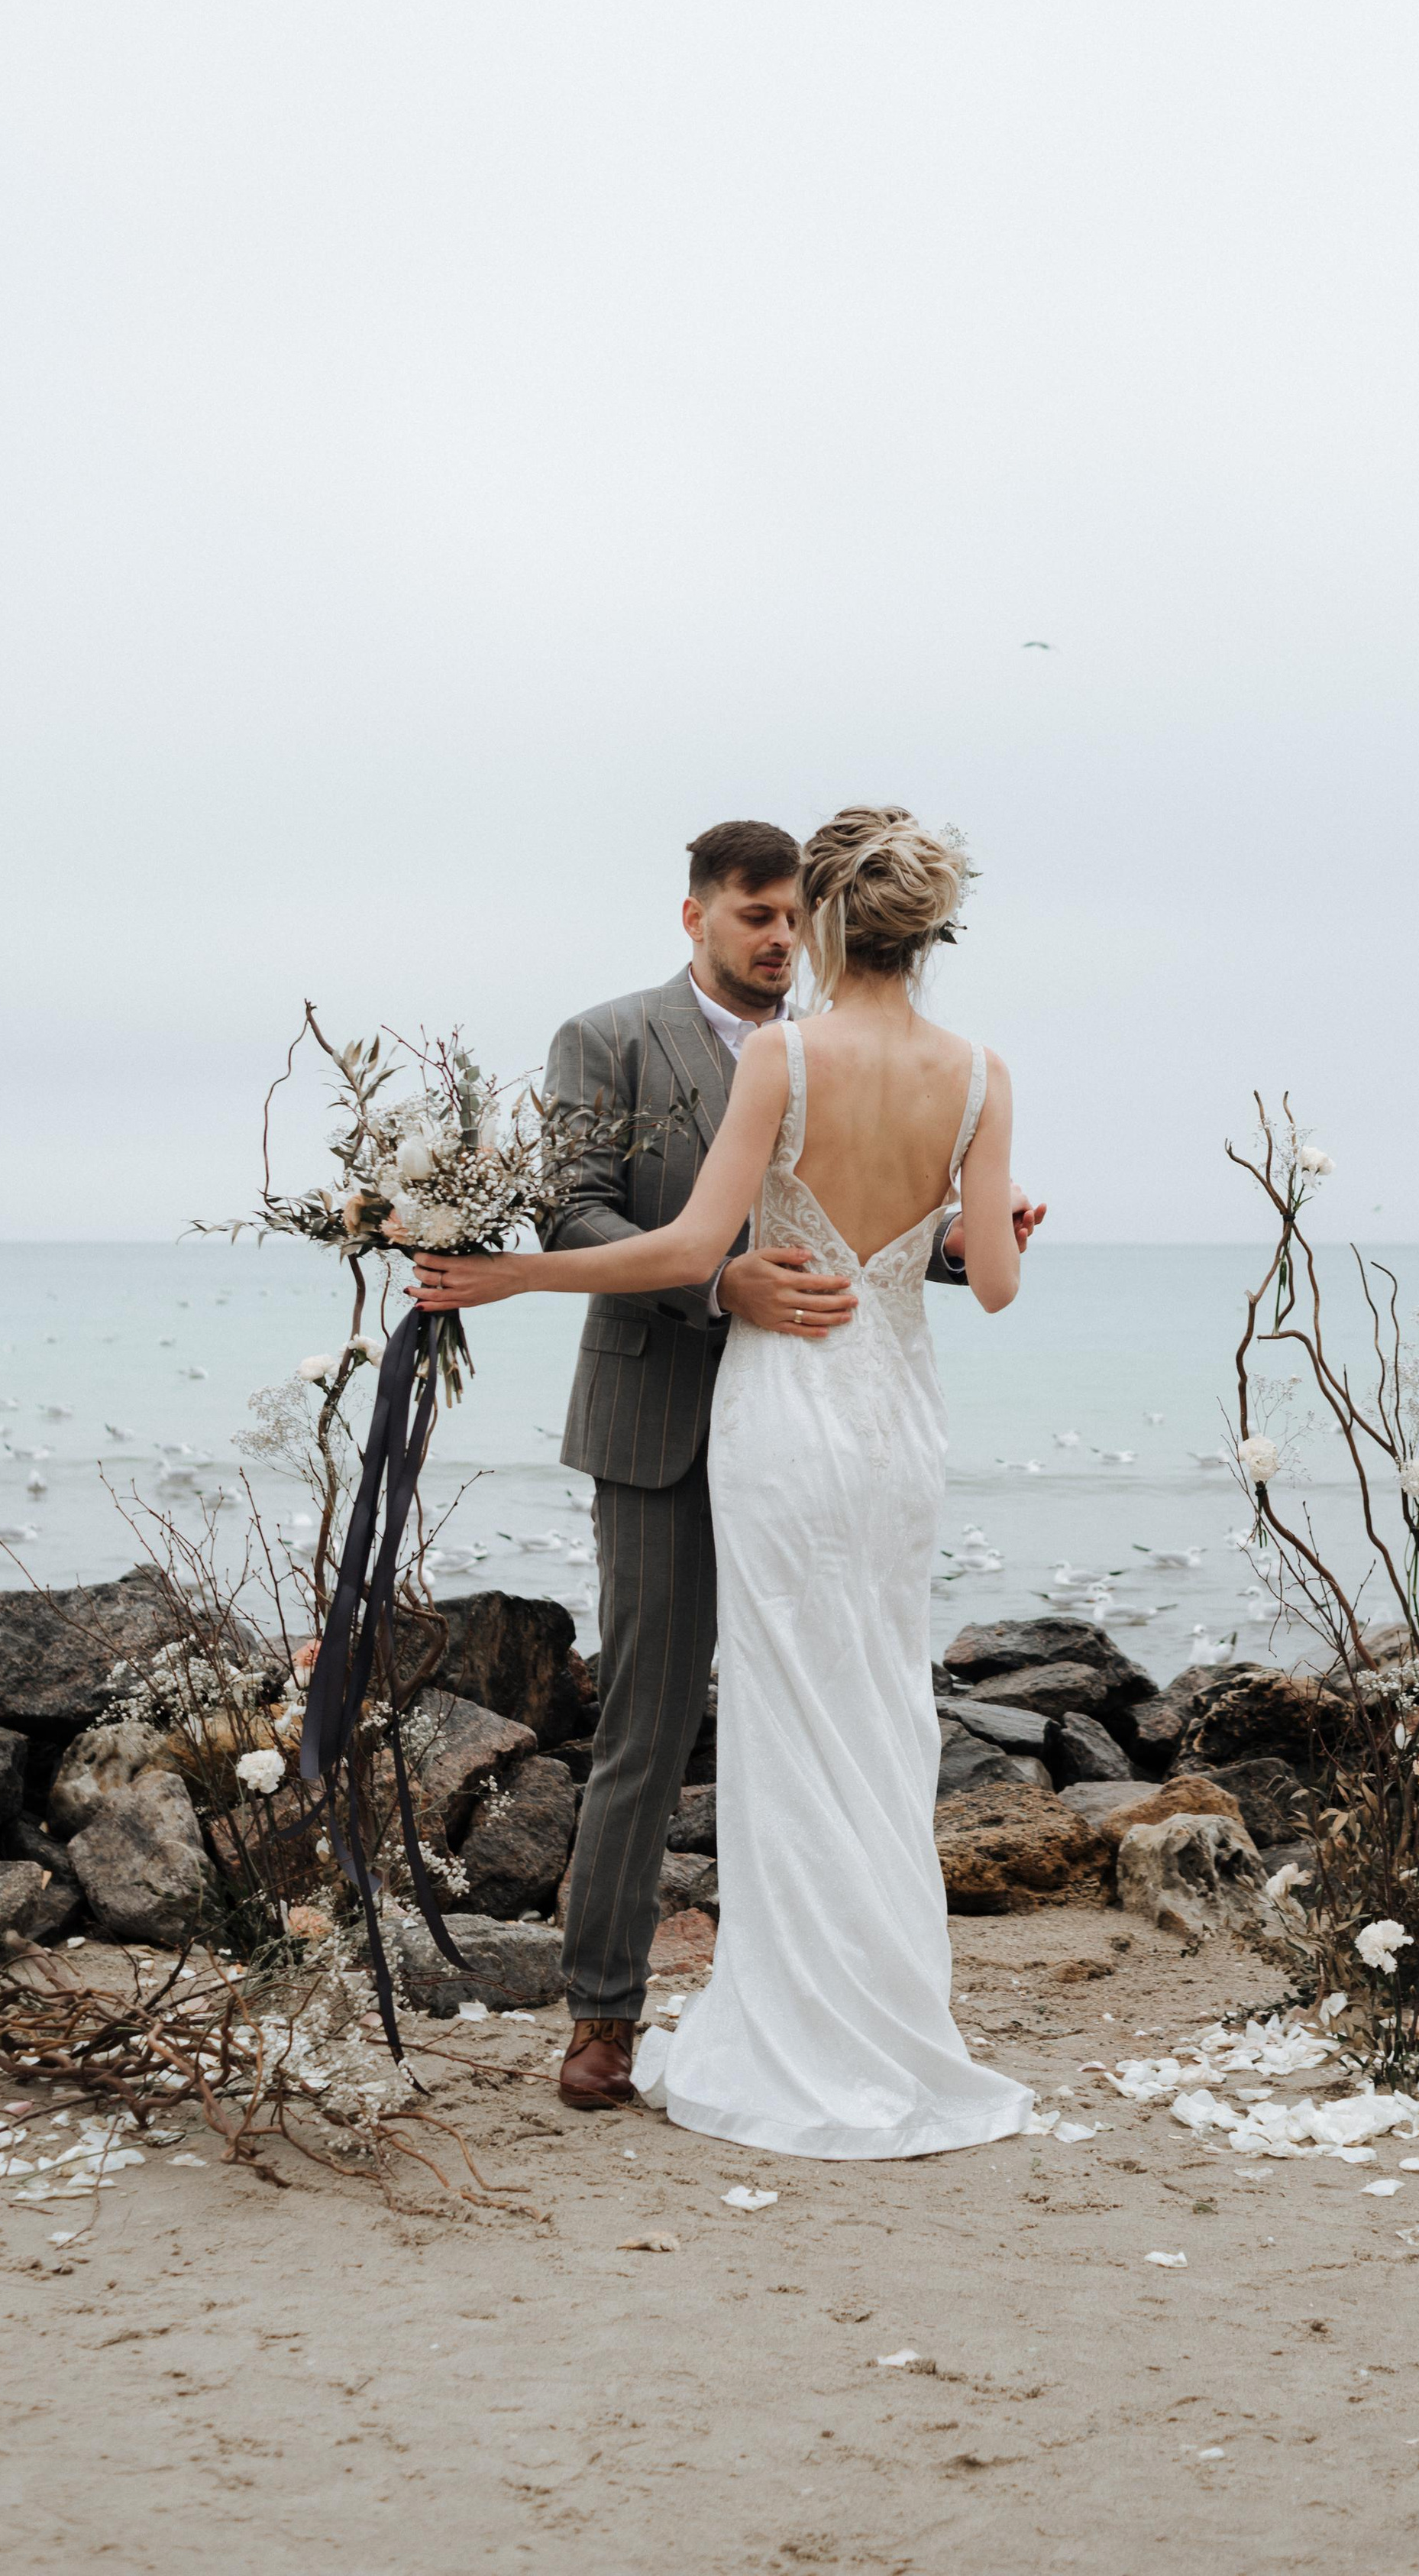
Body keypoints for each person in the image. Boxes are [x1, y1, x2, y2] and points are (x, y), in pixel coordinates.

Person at [411, 807, 1040, 2160]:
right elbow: (577, 1207)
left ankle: (823, 2014)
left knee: (833, 1716)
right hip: (675, 1420)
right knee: (652, 1723)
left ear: (820, 920)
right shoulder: (609, 1036)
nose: (773, 941)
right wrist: (725, 1277)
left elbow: (885, 1236)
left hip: (799, 1420)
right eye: (751, 918)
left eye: (787, 918)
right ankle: (606, 2018)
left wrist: (935, 1231)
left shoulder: (811, 1055)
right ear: (697, 914)